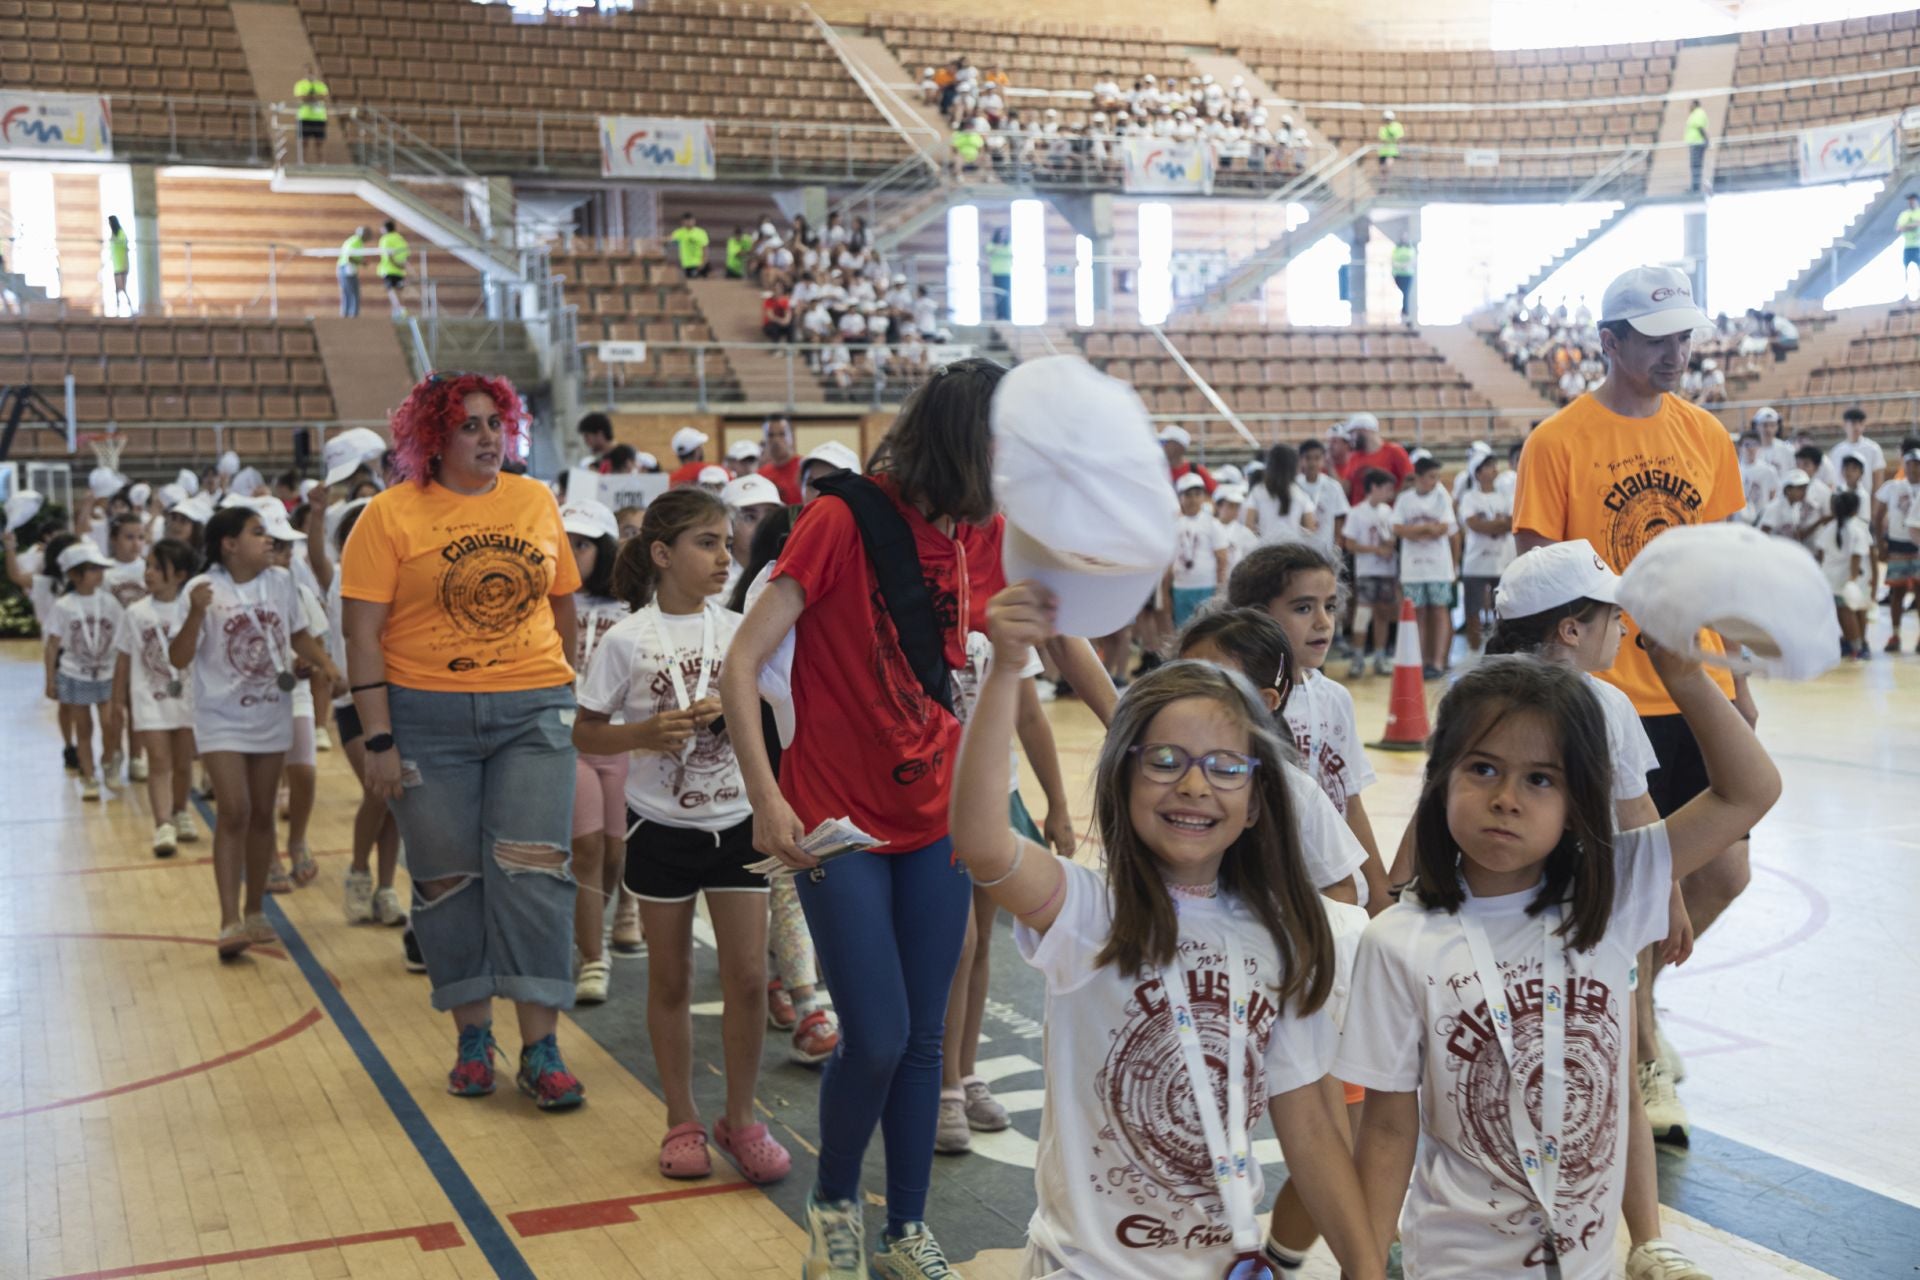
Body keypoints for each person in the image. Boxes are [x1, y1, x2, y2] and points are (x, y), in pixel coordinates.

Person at [949, 614, 1385, 1280]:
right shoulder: (1088, 914)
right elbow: (983, 845)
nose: (1193, 785)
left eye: (1225, 766)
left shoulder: (1281, 939)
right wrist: (1007, 667)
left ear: (1259, 800)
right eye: (1164, 761)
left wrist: (1364, 1265)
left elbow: (1310, 1127)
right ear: (1122, 781)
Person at [1339, 647, 1778, 1278]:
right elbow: (1385, 1131)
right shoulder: (1398, 943)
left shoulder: (1614, 891)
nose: (1507, 799)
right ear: (1440, 782)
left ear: (1579, 799)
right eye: (1483, 769)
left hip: (1586, 1266)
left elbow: (1751, 792)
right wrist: (1363, 1269)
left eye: (1540, 778)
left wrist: (1683, 676)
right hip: (1458, 1265)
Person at [719, 358, 1009, 1279]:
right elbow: (740, 664)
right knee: (876, 1034)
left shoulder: (978, 532)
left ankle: (905, 1227)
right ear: (967, 436)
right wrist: (766, 798)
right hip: (834, 822)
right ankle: (837, 1202)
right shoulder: (842, 517)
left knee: (924, 1039)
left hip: (937, 817)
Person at [1512, 263, 1753, 1148]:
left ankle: (1638, 1008)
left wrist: (1740, 683)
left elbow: (1717, 564)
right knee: (1624, 888)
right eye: (1655, 339)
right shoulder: (1558, 442)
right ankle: (1641, 1052)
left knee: (1723, 872)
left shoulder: (1706, 436)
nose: (1675, 353)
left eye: (1684, 336)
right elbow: (1541, 584)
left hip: (1698, 682)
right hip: (1611, 697)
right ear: (1608, 343)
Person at [341, 371, 588, 1109]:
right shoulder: (387, 516)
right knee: (447, 879)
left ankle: (541, 1046)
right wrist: (377, 737)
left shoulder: (536, 499)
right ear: (433, 440)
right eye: (469, 426)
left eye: (495, 423)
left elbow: (563, 604)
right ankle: (473, 1036)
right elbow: (361, 634)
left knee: (534, 869)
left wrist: (559, 685)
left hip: (532, 712)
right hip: (424, 718)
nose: (487, 438)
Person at [574, 490, 791, 1183]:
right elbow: (583, 730)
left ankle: (742, 1116)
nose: (725, 556)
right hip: (659, 825)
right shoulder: (624, 639)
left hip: (735, 823)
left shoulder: (742, 630)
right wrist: (640, 734)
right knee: (670, 979)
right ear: (663, 555)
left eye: (729, 542)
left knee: (750, 979)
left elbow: (774, 714)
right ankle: (681, 1118)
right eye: (707, 542)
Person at [171, 506, 338, 956]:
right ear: (229, 544)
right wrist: (193, 614)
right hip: (221, 717)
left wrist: (323, 663)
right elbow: (179, 657)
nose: (269, 541)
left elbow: (299, 635)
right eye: (258, 533)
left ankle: (254, 910)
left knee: (263, 812)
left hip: (272, 711)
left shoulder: (283, 583)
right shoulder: (201, 589)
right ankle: (228, 921)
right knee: (235, 809)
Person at [1226, 543, 1391, 907]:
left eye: (1329, 606)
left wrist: (1379, 895)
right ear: (1258, 616)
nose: (1323, 622)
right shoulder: (1237, 699)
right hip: (1260, 895)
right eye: (1303, 607)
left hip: (1331, 889)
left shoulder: (1334, 698)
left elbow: (1349, 802)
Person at [112, 538, 200, 858]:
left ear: (179, 575)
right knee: (159, 762)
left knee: (183, 763)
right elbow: (123, 659)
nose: (148, 573)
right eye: (147, 566)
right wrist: (117, 702)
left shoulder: (192, 609)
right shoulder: (135, 613)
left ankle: (180, 811)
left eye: (157, 567)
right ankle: (162, 823)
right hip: (148, 697)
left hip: (187, 697)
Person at [46, 541, 127, 802]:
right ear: (74, 574)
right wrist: (50, 679)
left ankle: (109, 759)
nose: (99, 574)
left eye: (100, 569)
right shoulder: (64, 606)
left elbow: (122, 638)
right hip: (74, 674)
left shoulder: (110, 602)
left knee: (110, 723)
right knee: (83, 728)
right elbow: (52, 645)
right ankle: (89, 776)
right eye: (92, 569)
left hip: (106, 674)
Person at [1392, 456, 1458, 679]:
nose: (1435, 481)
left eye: (1437, 476)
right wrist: (1426, 529)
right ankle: (1418, 662)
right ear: (1418, 477)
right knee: (1416, 613)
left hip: (1438, 567)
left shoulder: (1442, 496)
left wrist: (1416, 530)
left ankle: (1437, 662)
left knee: (1439, 611)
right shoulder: (1405, 499)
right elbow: (1399, 529)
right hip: (1413, 568)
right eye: (1431, 477)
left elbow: (1443, 528)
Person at [1341, 468, 1399, 677]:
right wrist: (1376, 550)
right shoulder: (1357, 512)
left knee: (1382, 613)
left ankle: (1380, 656)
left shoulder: (1388, 512)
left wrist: (1389, 546)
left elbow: (1393, 537)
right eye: (1386, 488)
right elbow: (1349, 543)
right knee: (1363, 612)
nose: (1390, 492)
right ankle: (1357, 658)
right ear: (1373, 487)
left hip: (1386, 570)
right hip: (1367, 570)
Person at [1458, 451, 1515, 650]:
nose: (1494, 470)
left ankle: (1499, 649)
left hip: (1502, 562)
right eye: (1489, 466)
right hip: (1475, 563)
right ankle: (1474, 650)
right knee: (1473, 609)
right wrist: (1498, 524)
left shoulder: (1504, 497)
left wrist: (1490, 524)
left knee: (1501, 609)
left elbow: (1511, 523)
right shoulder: (1469, 498)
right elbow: (1473, 524)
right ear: (1478, 472)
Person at [1814, 490, 1873, 660]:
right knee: (1849, 613)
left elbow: (1821, 554)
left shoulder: (1830, 528)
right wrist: (1853, 581)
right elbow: (1857, 556)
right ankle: (1857, 647)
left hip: (1829, 579)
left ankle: (1850, 642)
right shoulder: (1858, 528)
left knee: (1841, 613)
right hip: (1846, 581)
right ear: (1855, 509)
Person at [1169, 473, 1228, 628]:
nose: (1193, 499)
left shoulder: (1212, 523)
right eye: (1187, 495)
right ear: (1180, 498)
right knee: (1183, 630)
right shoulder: (1174, 525)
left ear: (1204, 496)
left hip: (1206, 586)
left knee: (1207, 629)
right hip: (1181, 587)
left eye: (1197, 494)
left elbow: (1222, 558)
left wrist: (1220, 590)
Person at [1875, 448, 1920, 652]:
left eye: (1917, 464)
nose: (1913, 469)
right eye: (1910, 464)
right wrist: (1881, 544)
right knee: (1897, 591)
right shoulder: (1892, 487)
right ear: (1904, 465)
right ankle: (1895, 634)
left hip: (1918, 545)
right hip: (1897, 544)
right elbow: (1878, 516)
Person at [1247, 442, 1319, 546]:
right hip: (1293, 552)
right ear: (1294, 466)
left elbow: (1248, 527)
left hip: (1264, 551)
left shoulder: (1257, 492)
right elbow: (1311, 529)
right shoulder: (1300, 494)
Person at [1341, 413, 1411, 503]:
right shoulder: (1354, 457)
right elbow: (1347, 487)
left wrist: (1391, 498)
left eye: (1353, 432)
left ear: (1364, 430)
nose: (1351, 437)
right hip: (1360, 513)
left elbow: (1410, 480)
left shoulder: (1394, 452)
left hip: (1387, 513)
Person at [757, 416, 803, 504]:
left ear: (792, 437)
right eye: (771, 435)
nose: (776, 440)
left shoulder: (804, 468)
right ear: (764, 439)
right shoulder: (761, 475)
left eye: (782, 434)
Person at [1158, 424, 1215, 492]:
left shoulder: (1196, 471)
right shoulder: (1157, 469)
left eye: (1163, 442)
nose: (1161, 446)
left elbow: (1216, 496)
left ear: (1178, 447)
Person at [377, 220, 409, 317]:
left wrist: (395, 264)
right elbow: (407, 253)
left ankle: (401, 310)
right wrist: (401, 265)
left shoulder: (385, 239)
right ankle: (397, 313)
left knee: (392, 291)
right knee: (398, 291)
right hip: (400, 270)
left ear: (385, 229)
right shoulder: (400, 238)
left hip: (389, 269)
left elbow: (388, 255)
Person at [294, 64, 330, 150]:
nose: (310, 73)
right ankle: (303, 162)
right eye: (308, 71)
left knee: (320, 143)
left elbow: (325, 98)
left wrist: (310, 97)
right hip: (304, 117)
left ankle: (321, 163)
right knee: (304, 142)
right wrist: (317, 96)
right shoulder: (300, 85)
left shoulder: (321, 85)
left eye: (312, 71)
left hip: (319, 118)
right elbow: (302, 98)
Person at [337, 225, 367, 318]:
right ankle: (351, 317)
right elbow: (350, 258)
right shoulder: (356, 242)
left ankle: (347, 315)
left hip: (345, 269)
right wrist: (361, 262)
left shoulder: (353, 241)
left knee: (348, 294)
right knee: (352, 294)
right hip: (347, 270)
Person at [670, 212, 710, 279]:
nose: (689, 223)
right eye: (686, 221)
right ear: (683, 222)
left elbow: (705, 249)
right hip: (687, 264)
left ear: (694, 221)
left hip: (699, 262)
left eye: (690, 220)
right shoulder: (680, 232)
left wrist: (703, 262)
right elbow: (669, 239)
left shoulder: (701, 233)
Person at [986, 226, 1012, 321]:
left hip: (1006, 273)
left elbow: (1010, 253)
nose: (1003, 236)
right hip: (996, 273)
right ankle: (1000, 316)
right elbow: (990, 252)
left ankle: (1006, 315)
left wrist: (1000, 248)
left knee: (1006, 295)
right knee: (997, 295)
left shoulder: (1009, 245)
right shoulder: (991, 245)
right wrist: (999, 246)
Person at [107, 216, 131, 316]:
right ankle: (118, 311)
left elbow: (124, 246)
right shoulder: (112, 235)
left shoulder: (121, 233)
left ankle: (130, 308)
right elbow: (111, 250)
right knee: (117, 289)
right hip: (116, 266)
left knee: (122, 289)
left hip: (123, 265)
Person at [1685, 98, 1710, 191]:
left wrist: (1706, 140)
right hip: (1695, 143)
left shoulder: (1698, 113)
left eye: (1691, 104)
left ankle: (1695, 187)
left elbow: (1700, 128)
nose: (1689, 107)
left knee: (1695, 165)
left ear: (1695, 104)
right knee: (1695, 165)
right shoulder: (1695, 114)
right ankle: (1694, 186)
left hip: (1697, 143)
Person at [1391, 238, 1415, 322]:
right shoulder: (1396, 250)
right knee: (1402, 292)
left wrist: (1402, 266)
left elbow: (1411, 261)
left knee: (1405, 292)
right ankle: (1403, 311)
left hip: (1407, 275)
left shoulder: (1411, 250)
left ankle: (1405, 311)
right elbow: (1393, 261)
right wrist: (1400, 266)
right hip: (1398, 274)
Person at [1901, 194, 1920, 299]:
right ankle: (1907, 294)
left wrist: (1907, 226)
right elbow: (1899, 227)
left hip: (1918, 245)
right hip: (1908, 246)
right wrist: (1913, 225)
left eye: (1912, 200)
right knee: (1906, 269)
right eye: (1909, 200)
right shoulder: (1904, 214)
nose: (1910, 202)